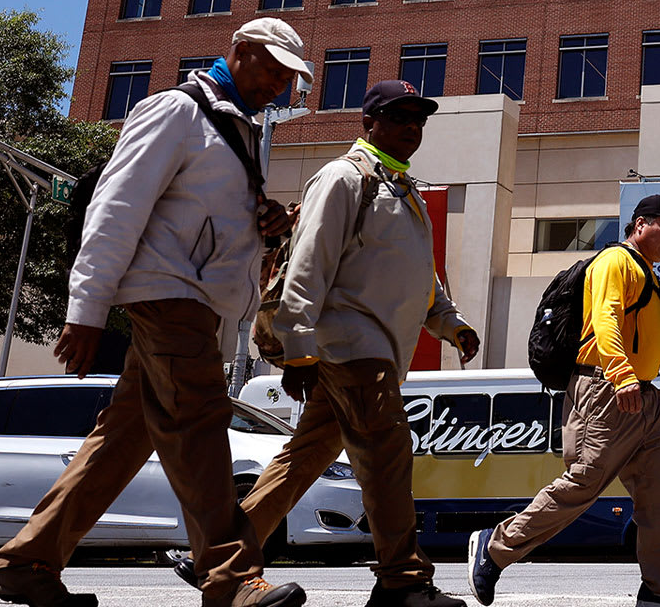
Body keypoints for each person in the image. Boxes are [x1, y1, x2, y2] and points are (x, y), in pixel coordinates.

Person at [0, 18, 316, 607]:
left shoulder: (232, 129)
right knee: (202, 429)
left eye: (289, 79)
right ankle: (232, 579)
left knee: (122, 439)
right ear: (238, 53)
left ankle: (28, 562)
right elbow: (115, 209)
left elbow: (199, 216)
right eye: (272, 70)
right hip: (168, 298)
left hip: (194, 304)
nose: (278, 88)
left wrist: (263, 226)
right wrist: (84, 311)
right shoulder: (174, 111)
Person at [173, 80, 480, 607]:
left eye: (419, 118)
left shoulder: (405, 191)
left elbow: (419, 278)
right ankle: (402, 583)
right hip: (351, 348)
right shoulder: (343, 178)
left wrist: (450, 323)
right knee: (387, 458)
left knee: (304, 457)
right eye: (400, 115)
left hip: (376, 349)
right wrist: (299, 350)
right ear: (369, 122)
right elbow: (308, 268)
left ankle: (218, 560)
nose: (412, 126)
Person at [467, 196, 660, 607]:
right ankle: (495, 547)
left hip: (644, 396)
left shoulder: (643, 268)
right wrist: (621, 375)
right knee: (583, 483)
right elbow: (605, 318)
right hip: (610, 388)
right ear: (638, 225)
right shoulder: (616, 262)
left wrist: (634, 381)